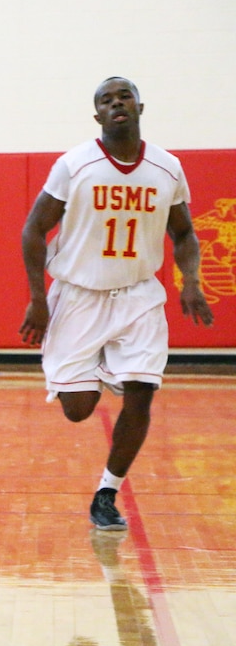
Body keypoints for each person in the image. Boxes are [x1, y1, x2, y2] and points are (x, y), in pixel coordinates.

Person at [20, 76, 214, 531]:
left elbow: (183, 232)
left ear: (140, 106)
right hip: (79, 293)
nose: (117, 103)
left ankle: (107, 492)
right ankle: (107, 369)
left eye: (124, 95)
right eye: (106, 100)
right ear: (97, 117)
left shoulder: (167, 168)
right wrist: (36, 300)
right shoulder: (74, 165)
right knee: (78, 409)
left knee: (143, 394)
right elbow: (33, 230)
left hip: (138, 295)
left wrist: (191, 281)